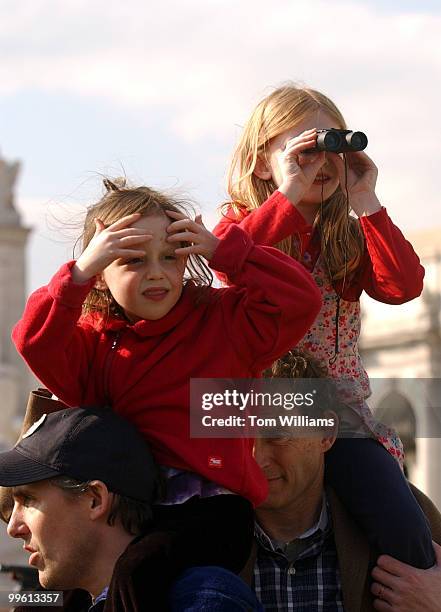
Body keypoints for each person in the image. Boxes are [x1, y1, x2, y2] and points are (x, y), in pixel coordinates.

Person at [10, 178, 321, 595]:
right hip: (131, 510)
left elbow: (301, 300)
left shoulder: (221, 321)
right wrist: (79, 272)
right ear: (101, 278)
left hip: (211, 509)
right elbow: (34, 341)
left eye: (170, 257)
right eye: (133, 260)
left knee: (135, 575)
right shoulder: (96, 341)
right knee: (52, 596)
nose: (156, 274)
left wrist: (224, 250)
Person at [212, 83, 434, 569]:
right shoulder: (240, 224)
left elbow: (402, 286)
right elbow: (230, 263)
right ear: (259, 162)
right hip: (254, 410)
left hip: (337, 413)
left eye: (334, 146)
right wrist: (288, 196)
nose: (322, 162)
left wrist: (366, 200)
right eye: (305, 150)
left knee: (402, 525)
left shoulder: (346, 236)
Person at [0, 406, 264, 611]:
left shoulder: (200, 599)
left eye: (29, 500)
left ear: (95, 499)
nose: (13, 527)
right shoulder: (62, 603)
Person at [239, 351, 441, 611]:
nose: (257, 459)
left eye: (277, 436)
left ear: (326, 434)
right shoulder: (202, 541)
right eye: (241, 439)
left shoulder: (406, 521)